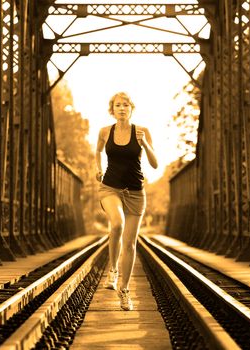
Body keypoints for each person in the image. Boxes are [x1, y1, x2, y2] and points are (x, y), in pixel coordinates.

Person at [95, 92, 158, 311]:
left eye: (125, 105)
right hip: (110, 188)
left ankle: (124, 290)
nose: (122, 108)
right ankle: (112, 270)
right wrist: (97, 168)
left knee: (130, 244)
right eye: (117, 105)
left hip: (135, 192)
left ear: (132, 108)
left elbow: (155, 163)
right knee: (117, 224)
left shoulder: (142, 131)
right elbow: (98, 151)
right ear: (112, 109)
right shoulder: (104, 131)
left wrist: (145, 145)